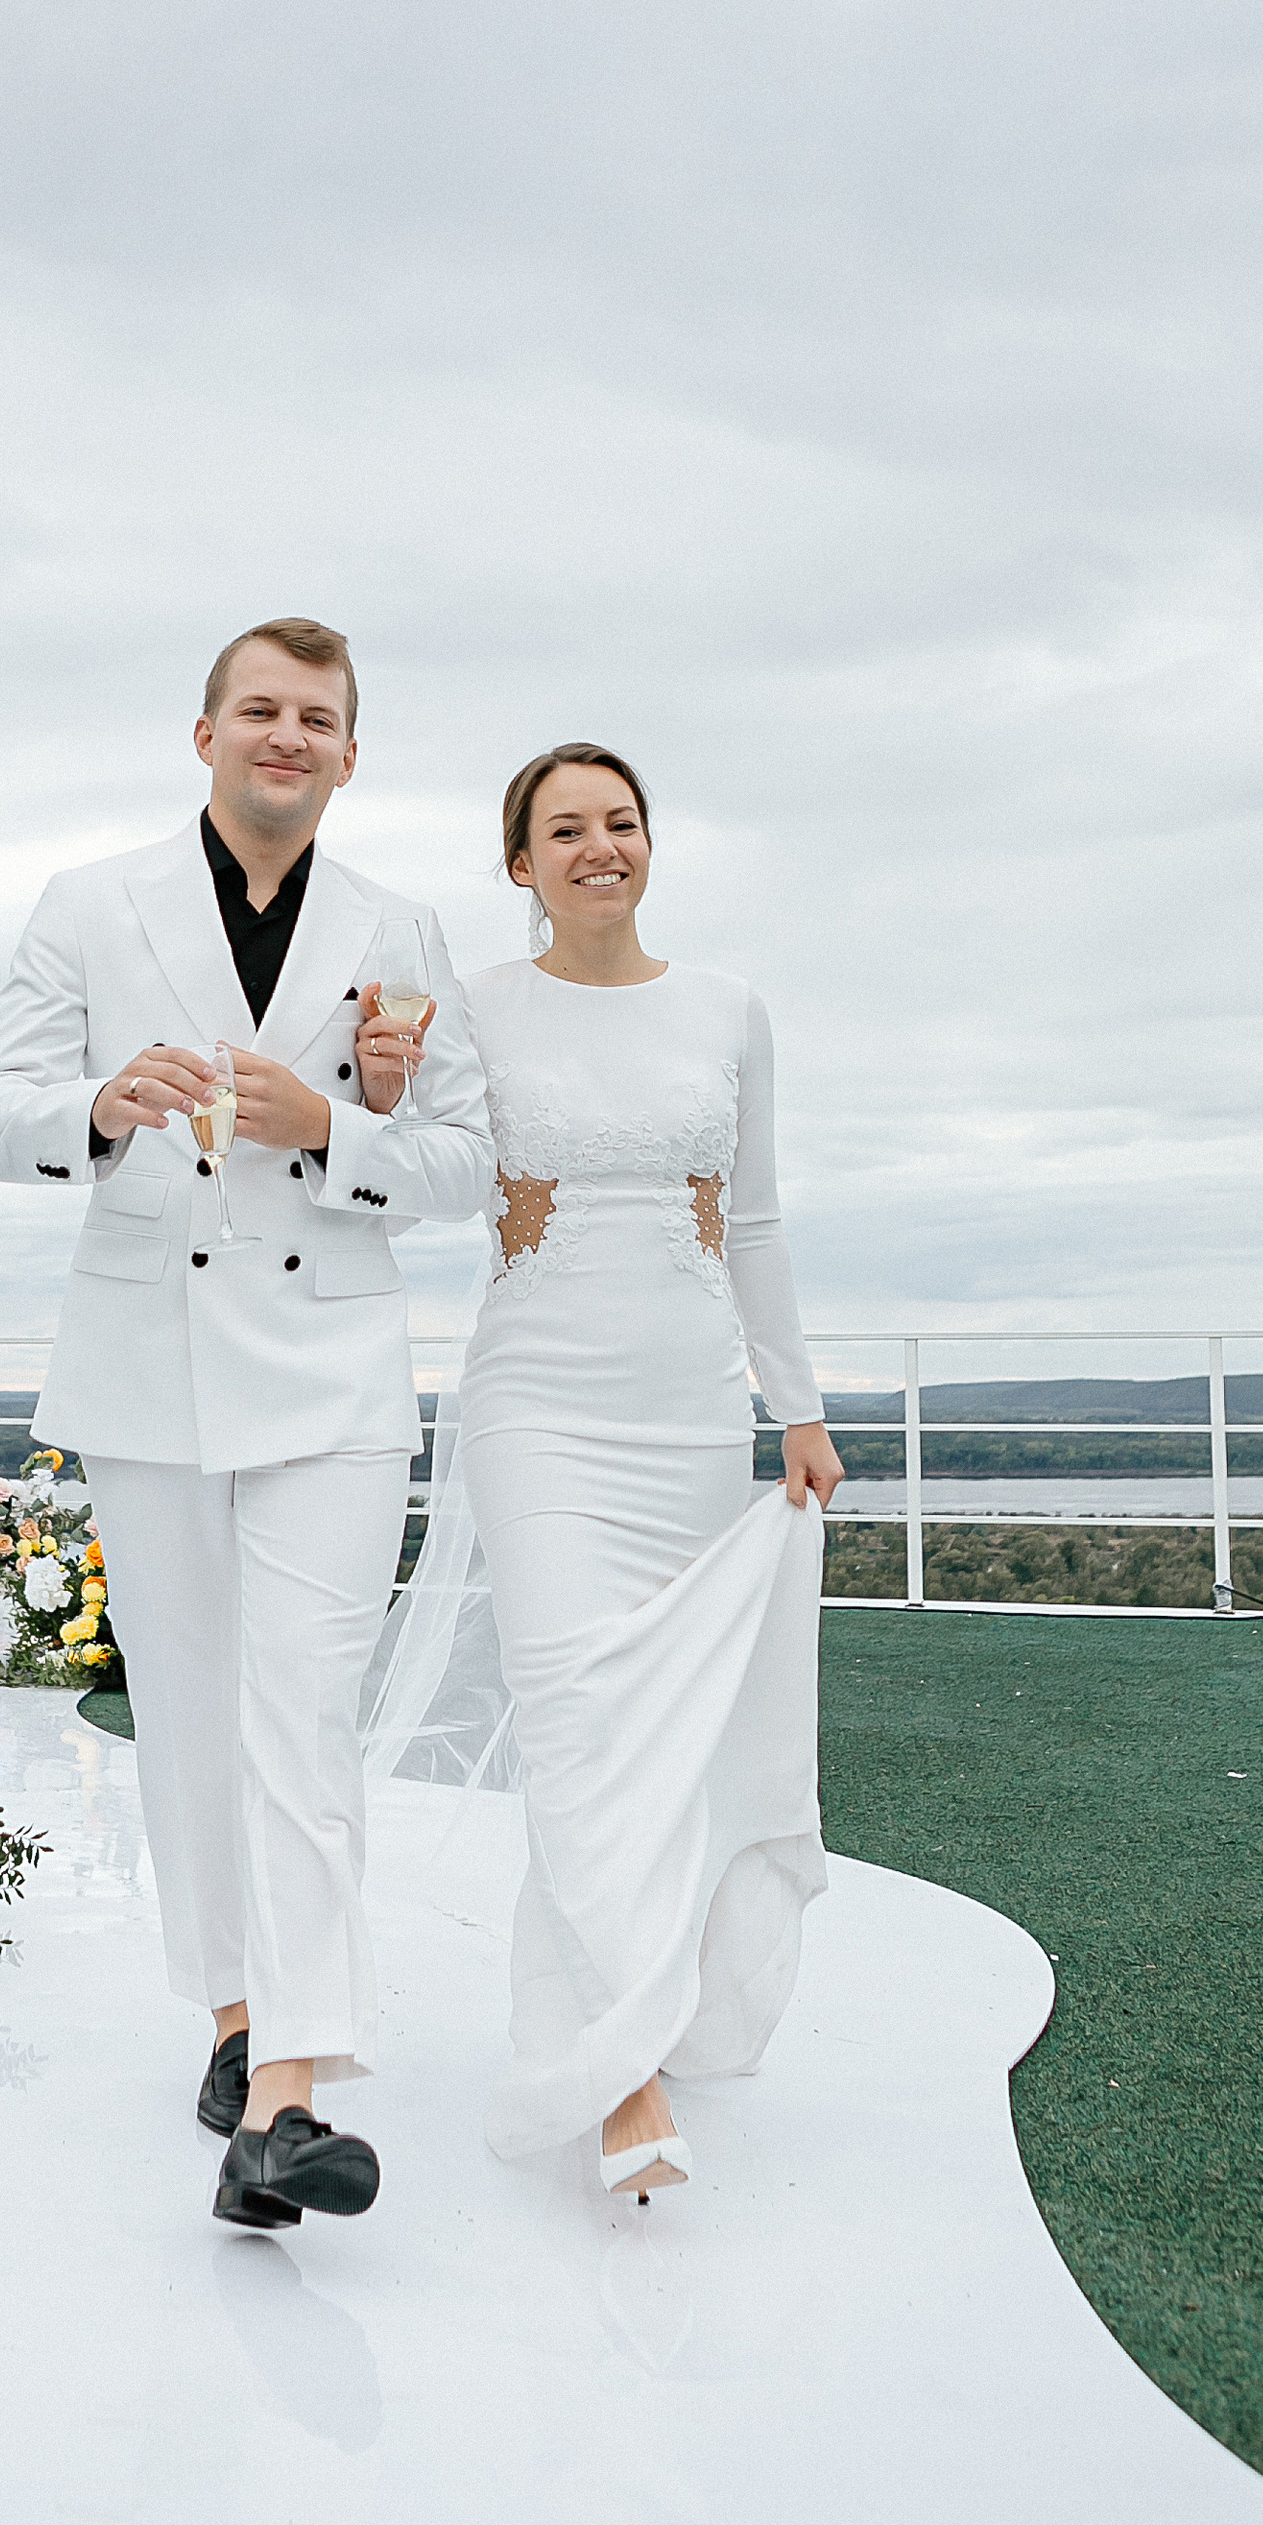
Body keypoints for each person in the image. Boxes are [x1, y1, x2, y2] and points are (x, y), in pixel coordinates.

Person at [0, 617, 493, 2230]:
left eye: (317, 718)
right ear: (205, 735)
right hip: (149, 1362)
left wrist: (336, 1122)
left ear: (350, 753)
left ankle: (287, 2101)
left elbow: (469, 1161)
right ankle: (237, 2020)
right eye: (261, 709)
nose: (287, 736)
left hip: (333, 1365)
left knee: (305, 1715)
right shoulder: (89, 902)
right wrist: (97, 1109)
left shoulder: (401, 926)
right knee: (190, 1714)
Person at [385, 740, 843, 2199]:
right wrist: (384, 1093)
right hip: (537, 1407)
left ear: (650, 844)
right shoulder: (474, 1007)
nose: (601, 846)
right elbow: (424, 1173)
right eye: (566, 828)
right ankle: (621, 2073)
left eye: (622, 822)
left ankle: (626, 2010)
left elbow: (754, 1221)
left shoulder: (728, 1008)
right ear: (520, 864)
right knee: (579, 1721)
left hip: (691, 1412)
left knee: (660, 1733)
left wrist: (798, 1407)